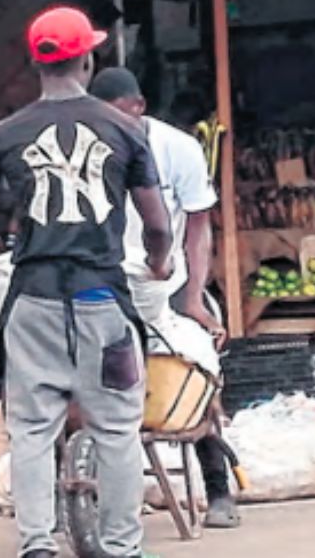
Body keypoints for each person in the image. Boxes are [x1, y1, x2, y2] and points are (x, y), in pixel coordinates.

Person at [0, 6, 173, 558]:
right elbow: (159, 225)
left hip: (34, 303)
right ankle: (120, 547)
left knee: (31, 431)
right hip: (103, 302)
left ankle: (37, 546)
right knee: (117, 429)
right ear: (87, 57)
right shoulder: (126, 128)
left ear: (35, 62)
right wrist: (159, 262)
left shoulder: (4, 134)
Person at [87, 68, 240, 529]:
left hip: (164, 283)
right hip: (106, 283)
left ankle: (218, 488)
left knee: (195, 376)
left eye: (119, 116)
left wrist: (193, 297)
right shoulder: (87, 150)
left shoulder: (178, 149)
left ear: (139, 107)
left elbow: (197, 228)